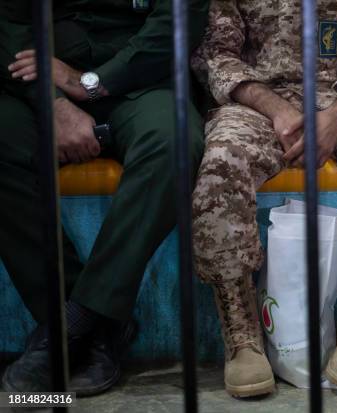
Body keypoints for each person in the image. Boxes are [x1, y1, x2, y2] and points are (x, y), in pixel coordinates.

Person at [190, 0, 337, 397]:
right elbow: (215, 52)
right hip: (256, 105)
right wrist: (277, 108)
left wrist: (336, 116)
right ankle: (241, 331)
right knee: (221, 162)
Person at [0, 0, 208, 395]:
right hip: (39, 81)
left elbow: (180, 20)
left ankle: (80, 319)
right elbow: (9, 25)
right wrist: (54, 105)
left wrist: (91, 82)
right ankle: (85, 325)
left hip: (139, 81)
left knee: (174, 142)